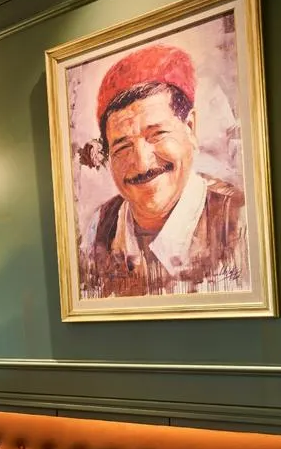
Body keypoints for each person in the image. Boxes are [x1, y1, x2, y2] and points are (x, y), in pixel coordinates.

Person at [76, 43, 248, 299]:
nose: (142, 163)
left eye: (157, 134)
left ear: (190, 127)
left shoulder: (238, 221)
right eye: (122, 147)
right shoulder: (97, 230)